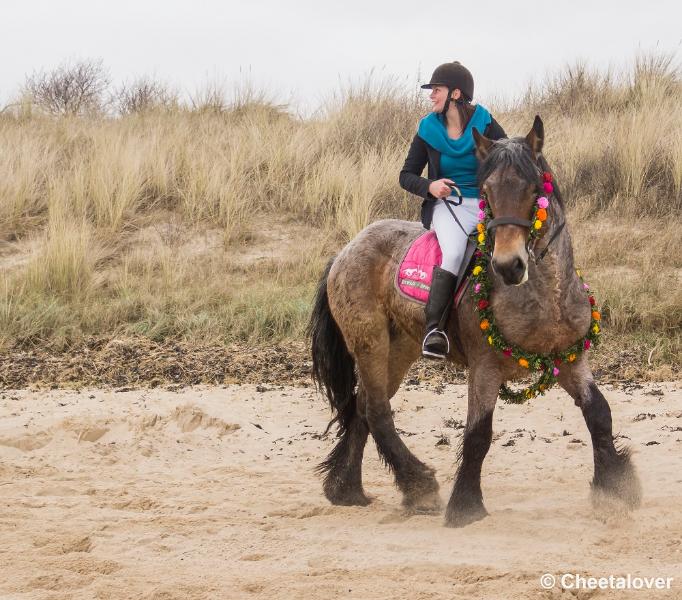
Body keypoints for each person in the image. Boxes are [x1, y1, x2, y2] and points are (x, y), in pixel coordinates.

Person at [399, 61, 507, 359]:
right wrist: (430, 186)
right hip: (448, 206)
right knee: (455, 253)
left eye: (437, 90)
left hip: (486, 205)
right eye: (431, 90)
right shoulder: (428, 128)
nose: (431, 95)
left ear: (456, 94)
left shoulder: (484, 122)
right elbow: (405, 175)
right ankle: (435, 330)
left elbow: (509, 156)